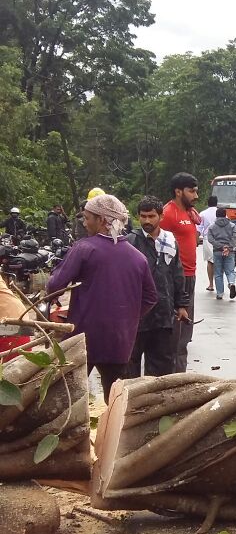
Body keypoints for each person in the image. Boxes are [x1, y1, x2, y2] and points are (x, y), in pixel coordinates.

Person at [47, 194, 157, 402]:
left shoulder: (84, 248)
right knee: (114, 400)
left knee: (71, 398)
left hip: (83, 337)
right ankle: (113, 434)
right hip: (120, 339)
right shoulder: (138, 257)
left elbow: (55, 284)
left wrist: (53, 296)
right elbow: (151, 297)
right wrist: (129, 316)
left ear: (102, 220)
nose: (84, 222)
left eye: (88, 218)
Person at [124, 196, 190, 377]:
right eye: (143, 216)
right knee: (130, 368)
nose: (147, 220)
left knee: (162, 369)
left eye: (151, 216)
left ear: (160, 216)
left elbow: (177, 274)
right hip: (137, 316)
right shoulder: (130, 242)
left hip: (163, 315)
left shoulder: (169, 241)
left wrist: (181, 305)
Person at [160, 172, 201, 373]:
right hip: (176, 278)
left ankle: (180, 378)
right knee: (175, 334)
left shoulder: (189, 213)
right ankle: (172, 380)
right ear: (178, 191)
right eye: (191, 191)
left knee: (185, 332)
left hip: (190, 276)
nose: (196, 195)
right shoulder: (168, 214)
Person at [206, 208, 236, 300]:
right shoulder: (232, 226)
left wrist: (220, 246)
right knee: (230, 271)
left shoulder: (212, 227)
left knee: (218, 273)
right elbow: (235, 237)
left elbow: (210, 239)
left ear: (216, 215)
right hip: (230, 252)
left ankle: (220, 293)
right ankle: (231, 283)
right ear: (225, 215)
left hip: (217, 251)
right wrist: (228, 247)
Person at [199, 195, 219, 292]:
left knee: (210, 262)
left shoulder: (203, 214)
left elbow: (198, 228)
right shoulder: (221, 213)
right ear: (217, 203)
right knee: (219, 261)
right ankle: (220, 284)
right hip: (220, 239)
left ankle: (211, 284)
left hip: (208, 239)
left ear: (208, 203)